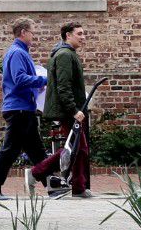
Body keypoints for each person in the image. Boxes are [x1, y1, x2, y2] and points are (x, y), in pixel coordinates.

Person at [0, 17, 48, 201]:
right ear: (23, 32)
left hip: (22, 108)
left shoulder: (20, 52)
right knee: (10, 151)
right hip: (19, 109)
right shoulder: (17, 53)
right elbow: (19, 79)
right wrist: (43, 80)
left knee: (36, 151)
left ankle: (53, 186)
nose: (34, 36)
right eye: (33, 32)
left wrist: (36, 84)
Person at [29, 21, 93, 198]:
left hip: (71, 110)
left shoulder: (68, 53)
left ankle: (78, 188)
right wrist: (74, 110)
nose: (83, 37)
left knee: (77, 148)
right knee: (75, 148)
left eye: (83, 33)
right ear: (68, 35)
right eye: (79, 34)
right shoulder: (65, 55)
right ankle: (36, 172)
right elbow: (63, 87)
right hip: (69, 112)